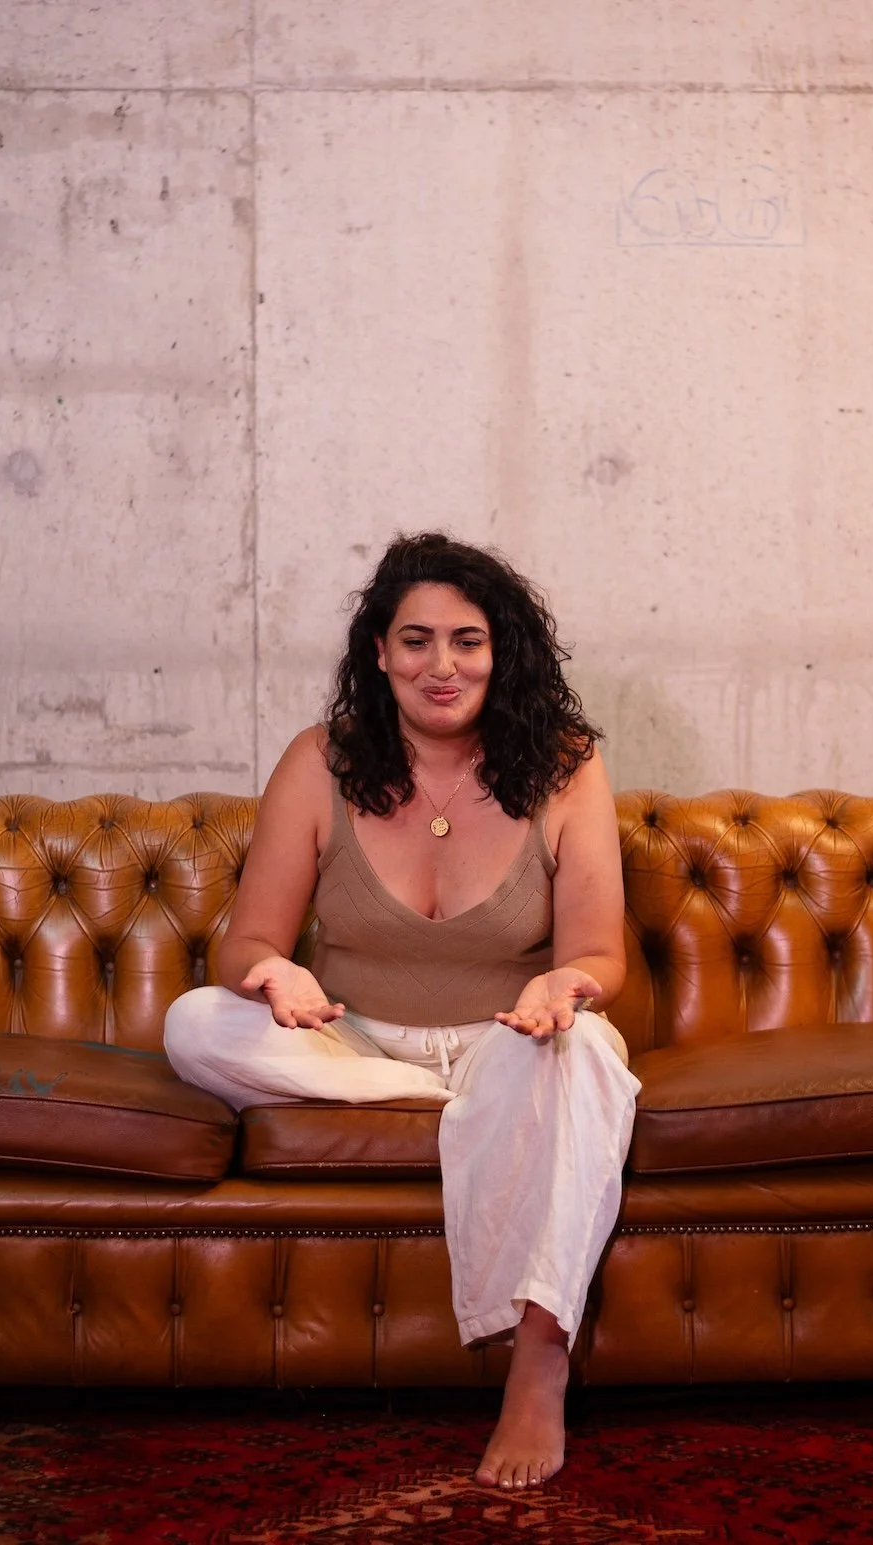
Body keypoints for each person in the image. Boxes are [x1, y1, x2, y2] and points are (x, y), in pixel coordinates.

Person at [164, 532, 639, 1492]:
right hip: (350, 1043)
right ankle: (444, 1111)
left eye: (467, 640)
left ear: (501, 652)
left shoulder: (565, 765)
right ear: (378, 651)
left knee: (586, 1052)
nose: (442, 664)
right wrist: (270, 977)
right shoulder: (320, 761)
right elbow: (245, 942)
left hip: (510, 1040)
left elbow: (600, 955)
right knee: (192, 1022)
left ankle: (539, 1367)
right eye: (415, 640)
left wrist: (563, 987)